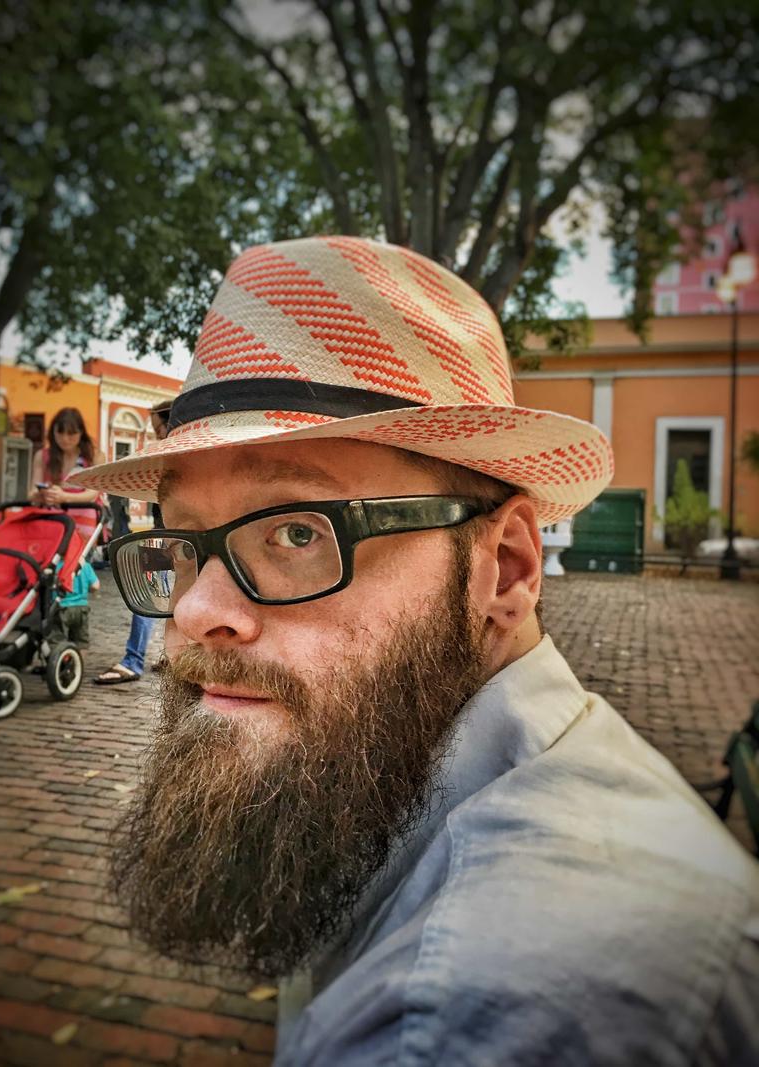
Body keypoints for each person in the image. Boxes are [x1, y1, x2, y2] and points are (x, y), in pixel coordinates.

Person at [72, 237, 758, 1066]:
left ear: (504, 566)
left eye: (296, 529)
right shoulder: (381, 780)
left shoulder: (463, 1018)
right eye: (181, 540)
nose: (198, 607)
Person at [94, 399, 171, 685]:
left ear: (170, 423)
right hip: (166, 536)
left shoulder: (176, 454)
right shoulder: (170, 455)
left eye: (157, 428)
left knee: (148, 598)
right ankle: (165, 658)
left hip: (169, 538)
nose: (155, 434)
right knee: (159, 597)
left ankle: (134, 661)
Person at [30, 407, 105, 544]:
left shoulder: (94, 456)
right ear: (53, 431)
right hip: (51, 516)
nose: (65, 438)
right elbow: (32, 492)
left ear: (81, 432)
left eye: (71, 434)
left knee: (79, 559)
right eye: (60, 432)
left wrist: (64, 497)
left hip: (84, 517)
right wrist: (42, 494)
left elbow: (92, 494)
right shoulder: (42, 456)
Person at [51, 558, 100, 652]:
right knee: (81, 642)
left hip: (62, 607)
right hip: (81, 608)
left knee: (58, 641)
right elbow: (95, 586)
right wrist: (87, 589)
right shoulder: (85, 565)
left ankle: (60, 661)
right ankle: (78, 662)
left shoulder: (56, 565)